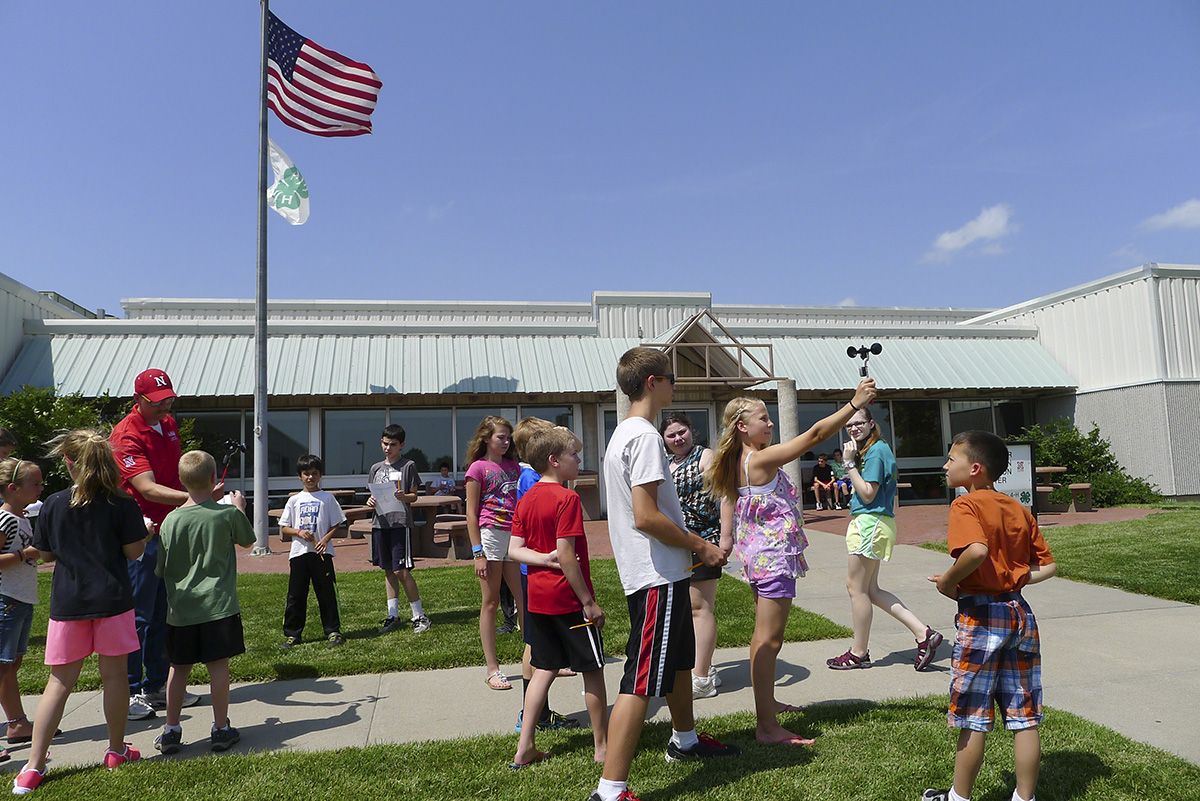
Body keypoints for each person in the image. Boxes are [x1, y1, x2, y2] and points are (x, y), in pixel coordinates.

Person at [593, 347, 739, 801]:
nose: (675, 385)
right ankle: (611, 788)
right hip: (655, 575)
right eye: (671, 377)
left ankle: (685, 740)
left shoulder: (625, 434)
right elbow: (645, 516)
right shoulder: (644, 438)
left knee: (678, 662)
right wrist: (702, 547)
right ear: (653, 382)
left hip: (662, 572)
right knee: (641, 679)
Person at [706, 380, 875, 746]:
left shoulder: (740, 460)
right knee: (770, 640)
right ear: (742, 427)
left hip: (758, 559)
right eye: (763, 419)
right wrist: (853, 403)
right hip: (772, 560)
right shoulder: (759, 459)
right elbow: (814, 435)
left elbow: (731, 505)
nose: (770, 424)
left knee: (762, 638)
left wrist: (727, 540)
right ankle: (766, 727)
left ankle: (766, 707)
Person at [923, 431, 1057, 801]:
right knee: (1023, 712)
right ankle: (1024, 798)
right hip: (1019, 614)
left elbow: (978, 551)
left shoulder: (965, 506)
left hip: (982, 617)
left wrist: (949, 582)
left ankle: (958, 797)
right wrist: (1011, 578)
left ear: (975, 469)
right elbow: (1048, 567)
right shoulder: (1018, 508)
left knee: (973, 713)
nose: (945, 465)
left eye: (952, 459)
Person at [15, 431, 150, 794]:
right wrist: (146, 532)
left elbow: (45, 555)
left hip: (68, 604)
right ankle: (116, 750)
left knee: (58, 683)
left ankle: (32, 765)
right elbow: (135, 551)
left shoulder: (54, 504)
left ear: (69, 461)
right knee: (115, 678)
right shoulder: (122, 503)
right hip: (113, 602)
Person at [109, 368, 208, 718]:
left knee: (166, 611)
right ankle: (132, 690)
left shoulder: (167, 424)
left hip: (170, 527)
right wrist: (194, 498)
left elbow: (172, 473)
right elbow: (147, 488)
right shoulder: (126, 435)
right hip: (142, 531)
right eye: (157, 402)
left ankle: (158, 685)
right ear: (138, 400)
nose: (165, 407)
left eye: (169, 400)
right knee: (138, 613)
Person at [507, 426, 607, 769]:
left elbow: (514, 550)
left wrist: (542, 559)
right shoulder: (568, 499)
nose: (578, 459)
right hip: (568, 601)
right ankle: (603, 747)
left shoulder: (527, 497)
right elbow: (567, 554)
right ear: (554, 461)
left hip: (537, 600)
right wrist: (588, 602)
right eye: (573, 455)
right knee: (592, 670)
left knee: (543, 668)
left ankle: (525, 747)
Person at [154, 451, 256, 755]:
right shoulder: (227, 514)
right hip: (218, 606)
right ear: (215, 480)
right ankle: (221, 728)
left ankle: (172, 730)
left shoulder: (169, 520)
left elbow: (162, 568)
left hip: (181, 609)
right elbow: (249, 541)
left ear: (181, 482)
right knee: (218, 667)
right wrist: (239, 507)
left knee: (178, 668)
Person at [827, 407, 943, 671]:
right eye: (849, 426)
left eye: (859, 423)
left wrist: (848, 464)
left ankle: (858, 653)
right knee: (870, 590)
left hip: (871, 521)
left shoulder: (877, 451)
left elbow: (868, 493)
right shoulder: (872, 450)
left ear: (871, 424)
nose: (854, 428)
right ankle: (924, 634)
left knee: (856, 589)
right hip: (873, 522)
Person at [510, 417, 578, 733]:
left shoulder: (529, 477)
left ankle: (536, 712)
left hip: (535, 566)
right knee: (533, 646)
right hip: (542, 569)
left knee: (536, 645)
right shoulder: (534, 481)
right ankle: (535, 712)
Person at [660, 412, 727, 700]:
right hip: (675, 544)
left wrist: (725, 537)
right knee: (685, 610)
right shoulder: (665, 463)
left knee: (699, 608)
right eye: (671, 435)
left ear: (691, 430)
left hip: (704, 541)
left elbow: (726, 494)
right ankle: (705, 667)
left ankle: (701, 678)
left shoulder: (705, 457)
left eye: (682, 431)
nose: (678, 438)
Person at [464, 416, 524, 690]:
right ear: (486, 438)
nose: (506, 441)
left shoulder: (516, 467)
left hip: (516, 535)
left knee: (525, 599)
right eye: (501, 437)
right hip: (490, 536)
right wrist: (478, 552)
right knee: (491, 602)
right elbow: (471, 514)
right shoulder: (477, 468)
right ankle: (492, 669)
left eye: (508, 437)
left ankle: (538, 659)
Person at [366, 425, 431, 634]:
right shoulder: (376, 468)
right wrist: (370, 501)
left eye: (393, 444)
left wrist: (405, 497)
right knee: (388, 569)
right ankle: (392, 615)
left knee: (401, 570)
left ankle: (419, 615)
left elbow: (414, 495)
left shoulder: (408, 466)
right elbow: (372, 493)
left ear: (401, 445)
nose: (388, 448)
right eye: (385, 443)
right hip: (380, 523)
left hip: (400, 523)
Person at [279, 455, 348, 648]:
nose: (310, 477)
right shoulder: (294, 500)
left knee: (326, 593)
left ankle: (333, 631)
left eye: (314, 474)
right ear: (299, 476)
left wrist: (325, 539)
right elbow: (284, 527)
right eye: (306, 474)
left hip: (321, 555)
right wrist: (299, 532)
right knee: (296, 595)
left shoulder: (327, 498)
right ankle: (293, 634)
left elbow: (337, 524)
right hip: (299, 554)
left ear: (321, 475)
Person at [0, 459, 43, 754]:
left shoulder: (23, 516)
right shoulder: (6, 520)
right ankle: (16, 722)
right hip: (6, 599)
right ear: (13, 489)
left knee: (12, 664)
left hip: (21, 598)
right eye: (36, 484)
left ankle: (18, 723)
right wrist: (24, 553)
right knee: (4, 666)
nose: (41, 488)